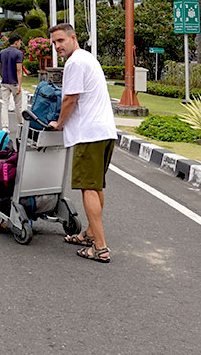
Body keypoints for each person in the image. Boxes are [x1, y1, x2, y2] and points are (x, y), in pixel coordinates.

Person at [47, 23, 117, 264]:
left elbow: (70, 99)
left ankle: (100, 247)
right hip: (105, 131)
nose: (57, 46)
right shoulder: (88, 58)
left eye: (60, 41)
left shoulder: (75, 62)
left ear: (73, 38)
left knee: (88, 188)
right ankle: (89, 234)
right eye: (54, 42)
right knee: (96, 187)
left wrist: (59, 123)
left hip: (89, 134)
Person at [0, 34, 25, 132]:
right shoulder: (19, 53)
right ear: (16, 42)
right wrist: (20, 85)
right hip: (15, 83)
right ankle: (20, 124)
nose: (20, 44)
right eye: (20, 42)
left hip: (5, 82)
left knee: (4, 104)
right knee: (18, 105)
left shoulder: (2, 52)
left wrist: (2, 76)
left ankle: (5, 126)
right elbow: (19, 70)